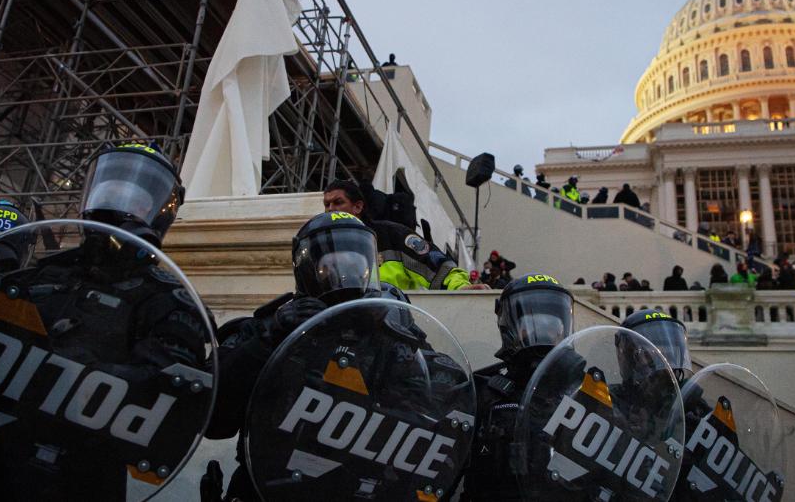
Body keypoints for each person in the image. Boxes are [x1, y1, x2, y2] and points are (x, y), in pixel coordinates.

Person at [0, 142, 210, 499]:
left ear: (158, 213)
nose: (119, 203)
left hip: (87, 470)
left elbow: (168, 393)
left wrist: (73, 371)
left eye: (135, 199)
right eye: (109, 190)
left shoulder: (167, 299)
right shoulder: (43, 274)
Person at [205, 211, 381, 500]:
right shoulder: (265, 328)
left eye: (355, 265)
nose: (345, 275)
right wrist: (270, 339)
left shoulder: (385, 338)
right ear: (308, 267)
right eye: (333, 264)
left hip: (352, 491)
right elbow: (214, 420)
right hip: (265, 486)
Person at [460, 273, 574, 500]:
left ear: (564, 329)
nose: (541, 332)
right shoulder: (481, 389)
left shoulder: (580, 393)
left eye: (552, 324)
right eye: (530, 323)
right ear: (509, 326)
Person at [322, 180, 483, 290]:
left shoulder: (392, 236)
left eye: (338, 202)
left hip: (393, 329)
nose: (330, 209)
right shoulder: (323, 245)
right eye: (327, 204)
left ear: (357, 207)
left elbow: (439, 268)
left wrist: (461, 288)